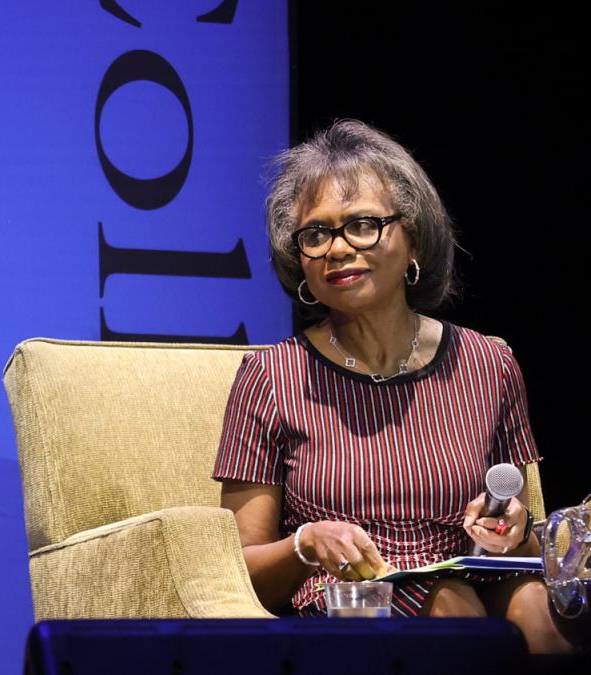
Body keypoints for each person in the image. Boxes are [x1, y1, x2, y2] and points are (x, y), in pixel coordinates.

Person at [213, 120, 572, 653]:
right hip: (352, 601)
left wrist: (511, 526)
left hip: (474, 579)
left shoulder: (488, 364)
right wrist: (306, 543)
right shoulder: (271, 377)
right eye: (316, 234)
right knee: (451, 605)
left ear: (414, 240)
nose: (337, 249)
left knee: (542, 611)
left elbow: (515, 531)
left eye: (362, 225)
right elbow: (242, 572)